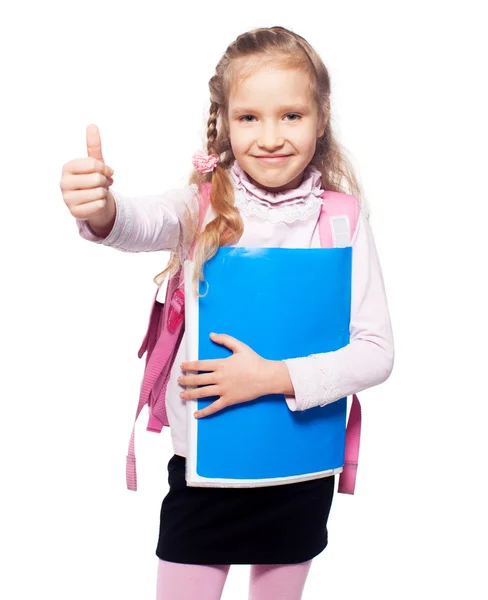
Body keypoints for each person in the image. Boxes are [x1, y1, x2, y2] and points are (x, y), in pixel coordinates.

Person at [60, 25, 394, 600]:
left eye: (291, 115)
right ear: (223, 121)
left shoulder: (340, 217)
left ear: (321, 117)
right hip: (206, 471)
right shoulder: (200, 204)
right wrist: (100, 207)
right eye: (249, 118)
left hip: (299, 471)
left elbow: (376, 352)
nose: (270, 136)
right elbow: (134, 222)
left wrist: (268, 377)